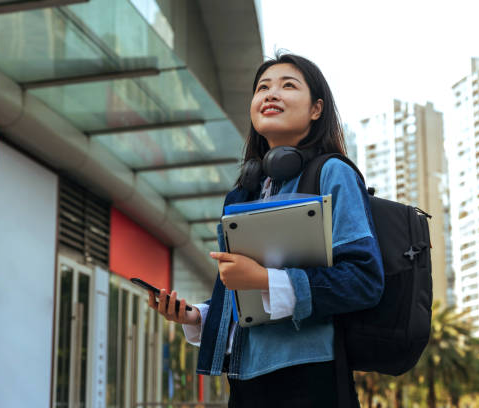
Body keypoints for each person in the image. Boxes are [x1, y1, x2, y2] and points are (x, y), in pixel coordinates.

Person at [148, 53, 385, 407]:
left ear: (316, 109)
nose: (270, 94)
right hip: (245, 378)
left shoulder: (333, 173)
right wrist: (196, 315)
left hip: (310, 377)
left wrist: (264, 279)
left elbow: (364, 280)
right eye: (262, 87)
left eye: (288, 85)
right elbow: (242, 299)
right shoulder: (242, 191)